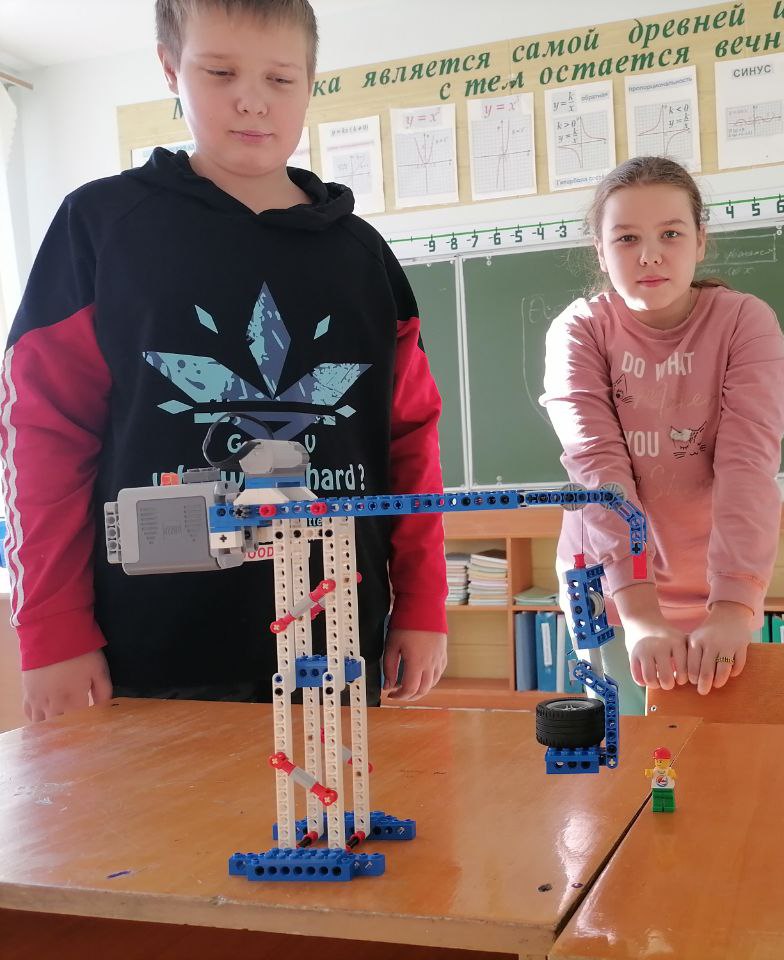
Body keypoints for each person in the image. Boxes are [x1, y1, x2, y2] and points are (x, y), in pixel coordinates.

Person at [2, 0, 449, 721]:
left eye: (280, 78)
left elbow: (410, 441)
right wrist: (52, 628)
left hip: (334, 643)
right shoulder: (101, 228)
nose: (252, 100)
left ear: (310, 81)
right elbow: (44, 435)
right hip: (148, 652)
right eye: (219, 72)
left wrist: (423, 604)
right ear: (170, 68)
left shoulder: (362, 256)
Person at [541, 156, 784, 696]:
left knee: (718, 739)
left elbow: (747, 466)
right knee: (627, 740)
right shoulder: (580, 330)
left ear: (701, 241)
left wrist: (732, 606)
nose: (650, 255)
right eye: (627, 238)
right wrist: (639, 613)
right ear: (600, 250)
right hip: (608, 587)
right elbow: (598, 471)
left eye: (671, 234)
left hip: (720, 585)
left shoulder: (744, 322)